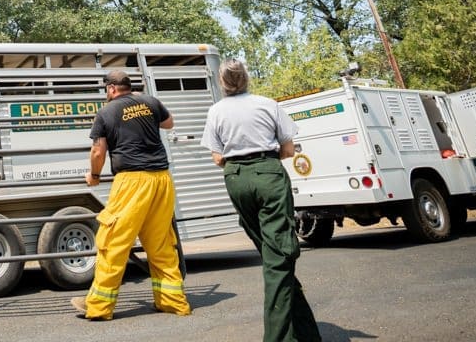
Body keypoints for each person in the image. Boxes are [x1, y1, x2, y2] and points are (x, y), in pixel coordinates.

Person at [200, 59, 320, 342]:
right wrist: (264, 162)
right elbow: (289, 149)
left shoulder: (215, 111)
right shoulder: (267, 104)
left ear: (221, 82)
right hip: (268, 174)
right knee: (279, 256)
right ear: (247, 78)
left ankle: (307, 334)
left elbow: (217, 157)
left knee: (274, 254)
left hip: (236, 178)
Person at [71, 70, 191, 320]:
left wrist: (93, 175)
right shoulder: (149, 102)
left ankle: (98, 306)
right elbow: (169, 124)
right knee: (160, 244)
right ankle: (173, 302)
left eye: (107, 89)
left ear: (112, 89)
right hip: (161, 179)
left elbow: (98, 151)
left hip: (132, 182)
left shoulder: (106, 112)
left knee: (113, 242)